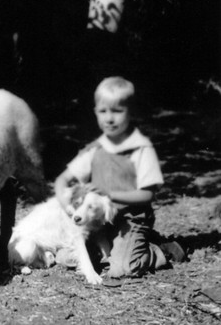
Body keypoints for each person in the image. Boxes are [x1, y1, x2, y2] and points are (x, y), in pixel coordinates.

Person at [54, 76, 185, 279]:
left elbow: (147, 195)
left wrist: (111, 193)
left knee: (123, 268)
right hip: (99, 219)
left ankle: (161, 249)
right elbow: (61, 180)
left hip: (129, 219)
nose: (109, 118)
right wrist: (68, 206)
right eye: (103, 111)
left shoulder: (140, 149)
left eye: (117, 111)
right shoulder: (94, 149)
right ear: (96, 113)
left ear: (130, 113)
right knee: (66, 256)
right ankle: (112, 248)